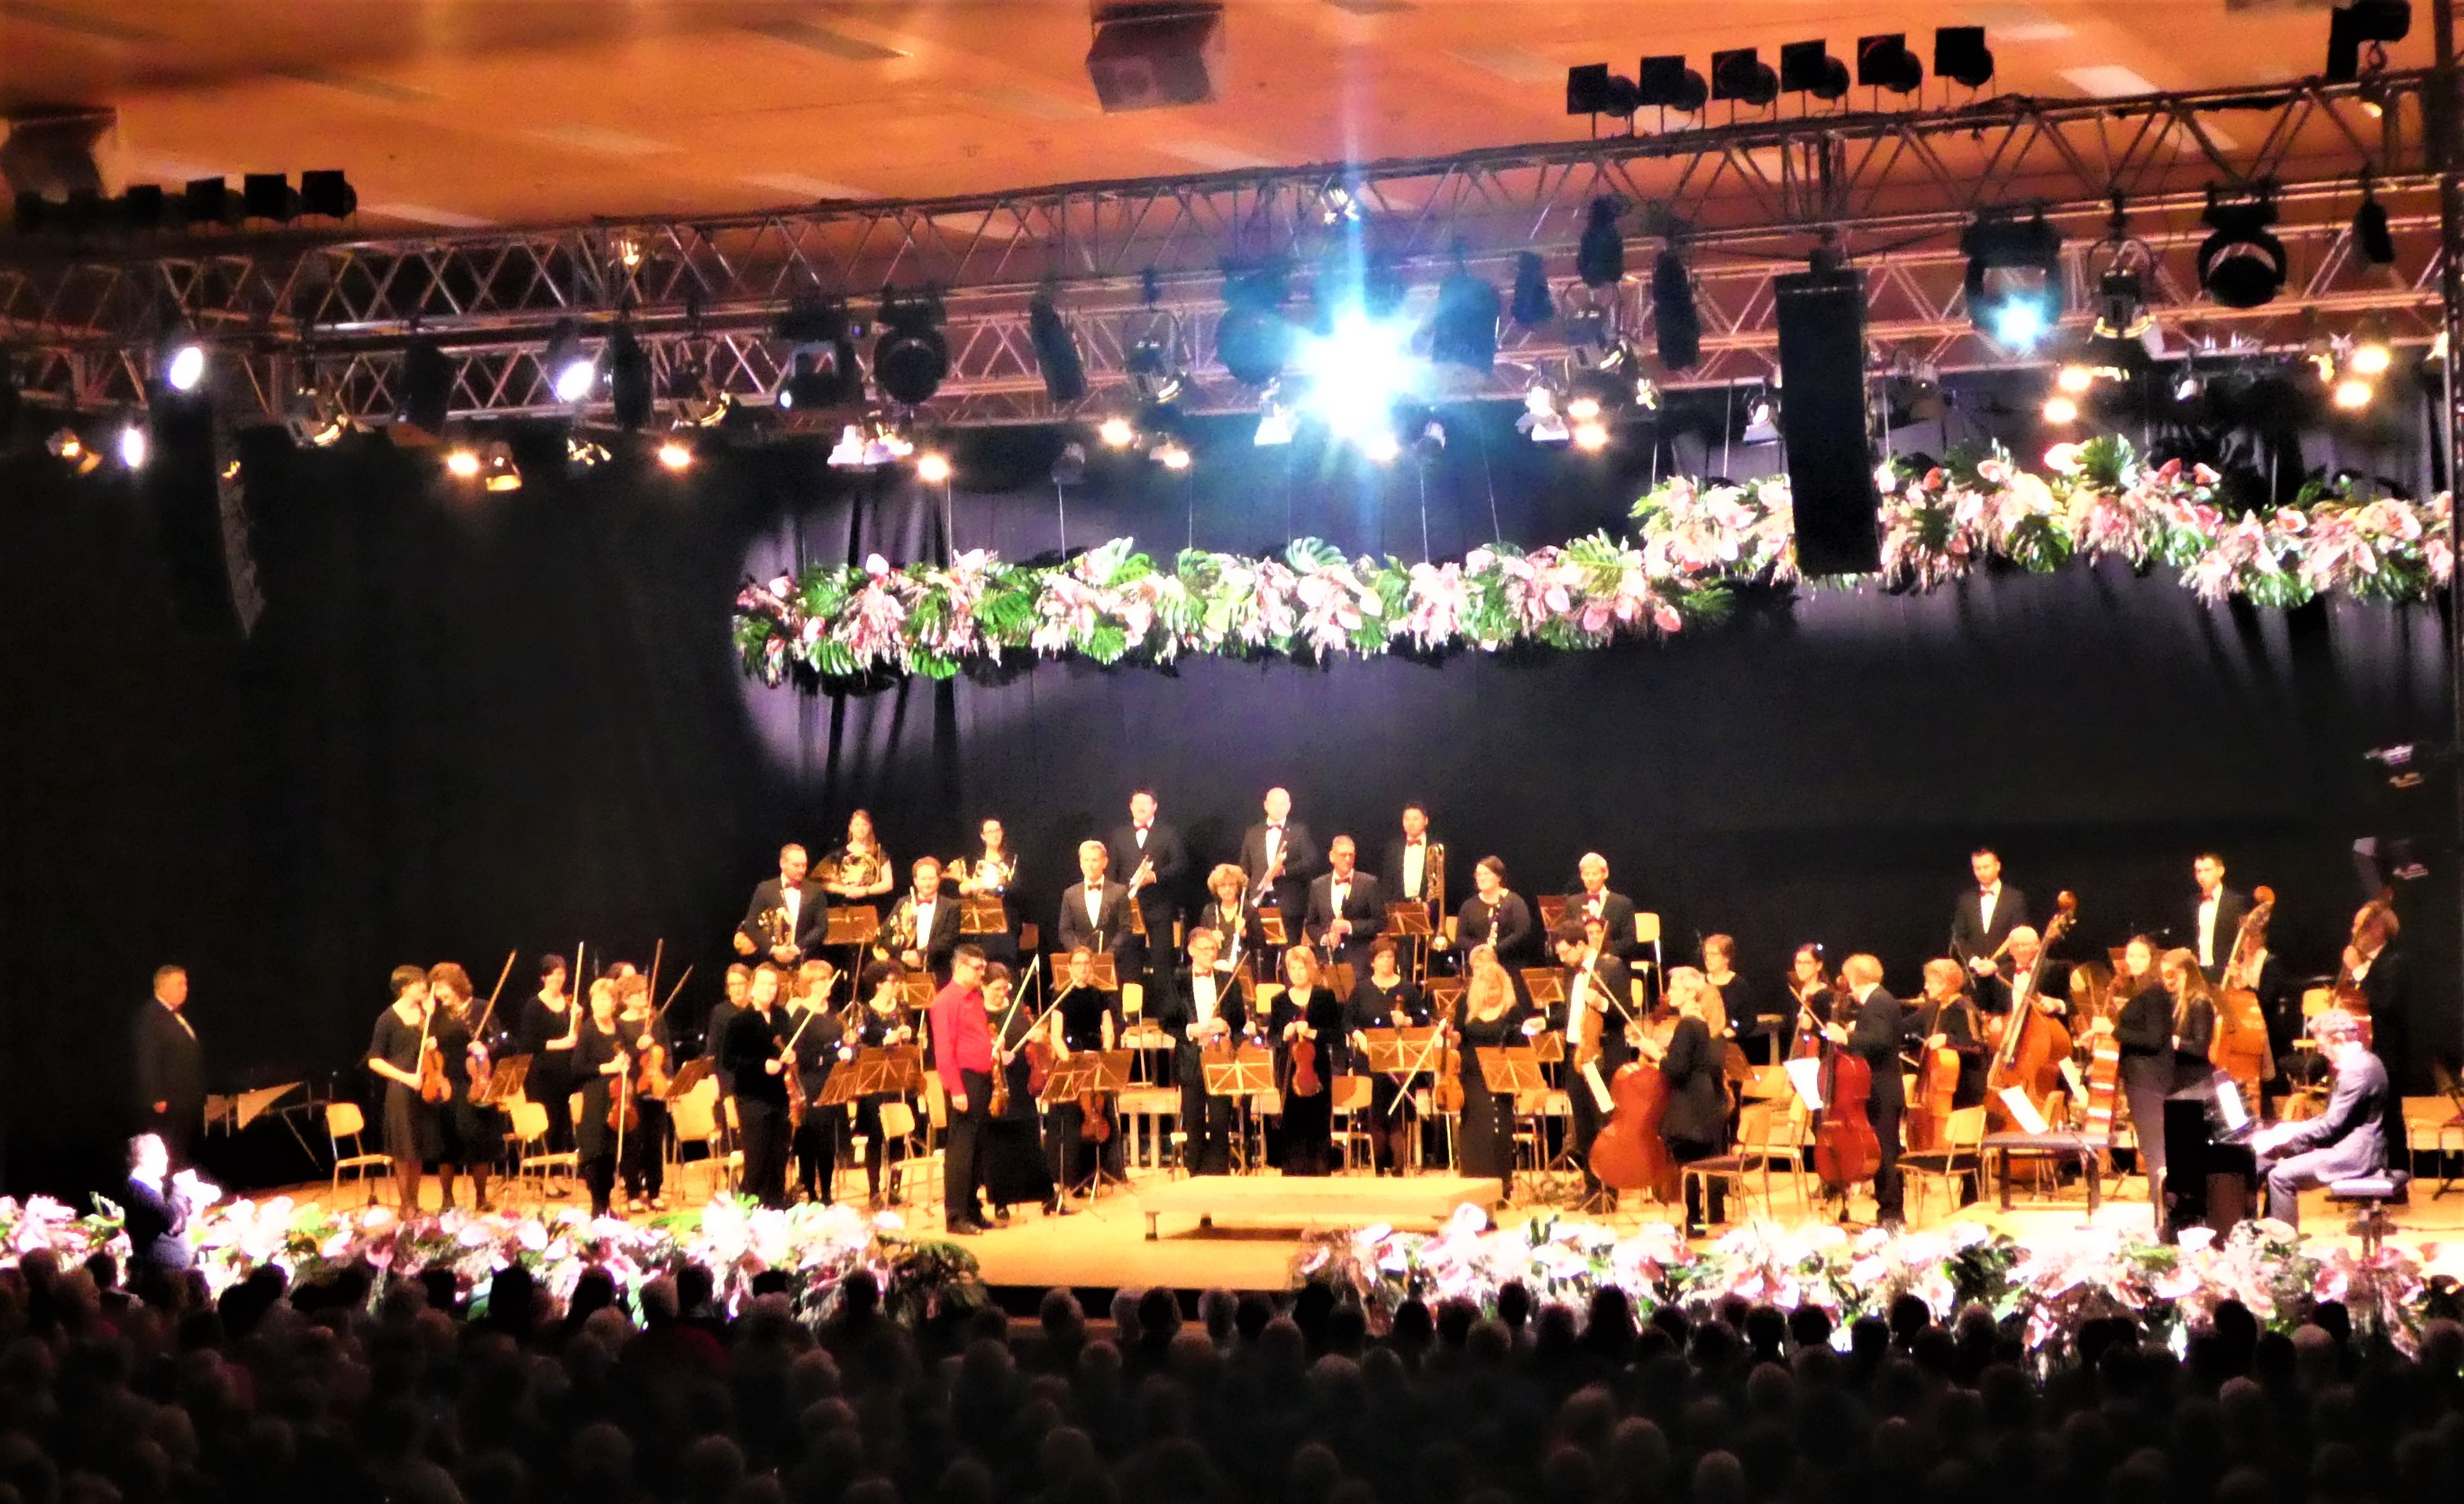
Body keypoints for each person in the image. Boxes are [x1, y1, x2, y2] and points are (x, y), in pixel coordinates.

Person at [2251, 1009, 2390, 1227]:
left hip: (2354, 1155)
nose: (2321, 1052)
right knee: (2269, 1155)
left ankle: (2284, 1243)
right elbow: (2333, 1119)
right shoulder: (2366, 1061)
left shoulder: (2356, 1072)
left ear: (2339, 1039)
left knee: (2279, 1176)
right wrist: (2286, 1134)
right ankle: (2262, 1228)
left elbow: (2330, 1126)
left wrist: (2290, 1131)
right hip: (2353, 1145)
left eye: (2323, 1046)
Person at [1639, 967, 1729, 1235]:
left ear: (1690, 993)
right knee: (1690, 1163)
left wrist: (1655, 1053)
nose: (1669, 993)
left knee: (1686, 1161)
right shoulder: (1701, 1023)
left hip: (1690, 1105)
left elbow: (1677, 1069)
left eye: (1675, 988)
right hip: (1704, 1101)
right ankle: (1696, 1220)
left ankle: (1693, 1221)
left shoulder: (1688, 1025)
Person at [1555, 924, 1634, 1208]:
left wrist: (1601, 1003)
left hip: (1601, 1057)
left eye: (1565, 952)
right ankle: (1591, 1189)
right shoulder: (1572, 973)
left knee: (1604, 1125)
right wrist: (1547, 1023)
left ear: (1580, 945)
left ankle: (1608, 1193)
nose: (1563, 959)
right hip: (1576, 1057)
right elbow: (1572, 1014)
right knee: (1584, 1127)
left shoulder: (1611, 968)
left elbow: (1625, 1013)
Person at [1829, 953, 1909, 1226]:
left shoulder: (1877, 1002)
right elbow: (1878, 1034)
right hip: (1883, 1086)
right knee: (1885, 1150)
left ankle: (1891, 1214)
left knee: (1885, 1152)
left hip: (1881, 1089)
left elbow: (1881, 1040)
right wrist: (1857, 1028)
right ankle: (1889, 1212)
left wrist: (1847, 1037)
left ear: (1854, 978)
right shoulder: (1881, 1000)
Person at [1453, 943, 1534, 1199]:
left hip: (1500, 1076)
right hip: (1471, 1076)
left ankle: (1500, 1187)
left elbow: (1521, 1046)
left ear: (1504, 987)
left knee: (1496, 1131)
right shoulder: (1466, 1006)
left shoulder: (1512, 1010)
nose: (1492, 993)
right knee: (1473, 1132)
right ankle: (1472, 1188)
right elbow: (1459, 1037)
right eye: (1487, 989)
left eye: (1496, 988)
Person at [977, 962, 1056, 1220]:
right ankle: (1001, 1202)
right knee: (999, 1146)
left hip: (1021, 1082)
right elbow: (975, 1048)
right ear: (983, 986)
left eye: (1005, 988)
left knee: (1030, 1140)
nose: (1002, 993)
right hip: (995, 1086)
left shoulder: (1016, 1010)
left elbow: (1029, 1039)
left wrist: (1036, 1038)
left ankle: (1047, 1197)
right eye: (997, 988)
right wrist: (996, 1056)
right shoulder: (978, 1015)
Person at [1164, 925, 1246, 1176]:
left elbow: (1240, 1021)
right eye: (1205, 949)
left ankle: (1219, 1179)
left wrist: (1227, 1026)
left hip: (1219, 1058)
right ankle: (1196, 1180)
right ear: (1191, 950)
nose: (1211, 954)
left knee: (1221, 1124)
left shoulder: (1228, 980)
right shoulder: (1177, 980)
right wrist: (1190, 1030)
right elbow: (1166, 1021)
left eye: (1213, 949)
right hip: (1190, 1060)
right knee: (1194, 1125)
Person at [1345, 938, 1428, 1176]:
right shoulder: (1361, 990)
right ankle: (1378, 1166)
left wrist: (1408, 1020)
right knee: (1376, 1110)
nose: (1386, 961)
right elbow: (1347, 1020)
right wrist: (1358, 1035)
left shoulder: (1408, 989)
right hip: (1369, 1059)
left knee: (1397, 1110)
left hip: (1400, 1059)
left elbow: (1423, 1018)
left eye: (1390, 956)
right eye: (1381, 957)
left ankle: (1399, 1166)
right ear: (1372, 962)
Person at [1043, 946, 1121, 1196]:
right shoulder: (1061, 996)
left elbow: (1108, 1030)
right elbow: (1055, 1036)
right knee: (1073, 1121)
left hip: (1094, 1059)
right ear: (1069, 968)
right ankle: (1072, 1179)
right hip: (1072, 1062)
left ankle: (1095, 1176)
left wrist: (1105, 1053)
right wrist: (1069, 1062)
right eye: (1078, 963)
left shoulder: (1100, 995)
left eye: (1087, 963)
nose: (1083, 968)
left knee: (1100, 1114)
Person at [928, 945, 996, 1235]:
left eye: (983, 967)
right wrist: (956, 1089)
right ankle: (955, 1216)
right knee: (961, 1151)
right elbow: (944, 1049)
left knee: (977, 1149)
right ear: (959, 967)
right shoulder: (945, 1001)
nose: (982, 973)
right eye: (977, 968)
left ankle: (972, 1209)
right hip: (964, 1081)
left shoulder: (975, 998)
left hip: (981, 1079)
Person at [425, 962, 502, 1212]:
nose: (439, 994)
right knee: (447, 1143)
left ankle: (481, 1197)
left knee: (479, 1141)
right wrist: (431, 1044)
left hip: (477, 1081)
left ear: (456, 984)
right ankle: (447, 1199)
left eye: (442, 988)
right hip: (449, 1083)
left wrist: (486, 1047)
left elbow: (501, 1038)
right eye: (436, 989)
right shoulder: (437, 1016)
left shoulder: (480, 1007)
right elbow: (430, 1051)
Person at [365, 965, 440, 1217]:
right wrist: (406, 1078)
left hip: (423, 1086)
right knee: (403, 1150)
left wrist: (432, 1042)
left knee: (418, 1149)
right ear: (404, 988)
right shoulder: (387, 1018)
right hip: (400, 1089)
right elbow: (374, 1060)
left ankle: (415, 1202)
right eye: (418, 983)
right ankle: (405, 1205)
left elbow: (430, 1051)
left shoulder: (425, 1015)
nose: (424, 987)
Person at [1107, 788, 1191, 996]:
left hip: (1159, 908)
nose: (1141, 807)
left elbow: (1180, 864)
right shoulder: (1118, 835)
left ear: (1155, 807)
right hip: (1129, 910)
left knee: (1162, 962)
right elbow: (1111, 873)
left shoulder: (1168, 833)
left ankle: (1166, 1011)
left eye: (1145, 803)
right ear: (1130, 807)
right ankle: (1131, 1012)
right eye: (1137, 803)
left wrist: (1155, 876)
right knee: (1130, 963)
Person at [847, 962, 917, 1207]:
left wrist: (908, 1035)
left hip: (898, 1077)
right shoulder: (865, 1011)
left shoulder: (903, 1008)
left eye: (899, 982)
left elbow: (913, 1042)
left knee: (899, 1134)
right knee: (876, 1136)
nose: (897, 986)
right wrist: (883, 1041)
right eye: (892, 982)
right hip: (875, 1080)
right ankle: (874, 1191)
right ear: (878, 984)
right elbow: (856, 1046)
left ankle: (894, 1188)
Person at [2106, 935, 2174, 1188]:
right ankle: (2160, 1201)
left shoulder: (2154, 992)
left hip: (2149, 1079)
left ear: (2152, 960)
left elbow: (2154, 1039)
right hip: (2140, 1077)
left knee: (2154, 1147)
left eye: (2141, 956)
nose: (2134, 961)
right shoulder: (2139, 990)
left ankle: (2163, 1202)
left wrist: (2113, 1030)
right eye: (2130, 955)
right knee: (2150, 1145)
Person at [1271, 946, 1343, 1177]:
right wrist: (1284, 1035)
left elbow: (1337, 1034)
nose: (1297, 973)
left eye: (1301, 968)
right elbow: (1272, 1037)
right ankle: (1292, 1177)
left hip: (1317, 1071)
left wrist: (1312, 1032)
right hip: (1288, 1071)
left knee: (1317, 1123)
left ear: (1310, 969)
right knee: (1292, 1125)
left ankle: (1319, 1176)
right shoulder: (1279, 1001)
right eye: (1292, 968)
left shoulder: (1325, 997)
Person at [725, 962, 791, 1207]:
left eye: (773, 984)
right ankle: (745, 1211)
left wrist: (791, 1056)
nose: (769, 989)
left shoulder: (782, 1016)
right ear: (752, 986)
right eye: (764, 983)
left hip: (780, 1096)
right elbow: (729, 1061)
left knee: (779, 1159)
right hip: (752, 1097)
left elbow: (788, 1047)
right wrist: (762, 1065)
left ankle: (775, 1209)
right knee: (757, 1160)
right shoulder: (739, 1020)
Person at [515, 954, 581, 1183]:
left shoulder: (569, 1005)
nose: (557, 978)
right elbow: (528, 1044)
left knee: (563, 1124)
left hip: (565, 1072)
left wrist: (578, 1019)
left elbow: (575, 1038)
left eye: (560, 973)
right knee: (547, 1124)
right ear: (543, 977)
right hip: (542, 1074)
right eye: (552, 974)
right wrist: (560, 1043)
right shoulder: (534, 1005)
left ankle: (557, 1174)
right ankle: (543, 1176)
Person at [782, 962, 844, 1204]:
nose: (828, 983)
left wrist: (847, 1047)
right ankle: (811, 1192)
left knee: (828, 1143)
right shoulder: (800, 1015)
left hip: (833, 1081)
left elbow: (840, 1043)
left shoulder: (833, 1012)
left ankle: (827, 1194)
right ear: (810, 983)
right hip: (811, 1082)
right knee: (810, 1142)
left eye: (829, 978)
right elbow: (802, 1056)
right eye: (822, 979)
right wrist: (829, 1056)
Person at [121, 1132, 214, 1290]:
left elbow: (174, 1219)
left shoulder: (147, 1189)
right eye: (161, 1153)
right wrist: (181, 1186)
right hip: (163, 1279)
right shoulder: (138, 1190)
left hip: (170, 1274)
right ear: (144, 1158)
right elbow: (171, 1223)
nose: (166, 1158)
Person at [571, 979, 632, 1217]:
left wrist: (626, 1063)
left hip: (617, 1096)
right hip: (596, 1095)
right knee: (596, 1151)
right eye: (596, 999)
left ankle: (607, 1206)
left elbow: (627, 1055)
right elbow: (577, 1068)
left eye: (605, 999)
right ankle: (598, 1207)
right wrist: (607, 1068)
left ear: (614, 1003)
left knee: (611, 1152)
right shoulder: (588, 1030)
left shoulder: (619, 1029)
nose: (600, 1004)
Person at [615, 974, 673, 1212]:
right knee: (634, 1141)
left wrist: (667, 1077)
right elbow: (618, 1053)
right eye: (637, 993)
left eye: (644, 992)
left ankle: (655, 1190)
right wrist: (634, 1048)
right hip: (633, 1087)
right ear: (626, 998)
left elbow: (665, 1050)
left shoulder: (655, 1019)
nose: (643, 996)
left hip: (656, 1084)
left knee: (654, 1141)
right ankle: (633, 1193)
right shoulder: (619, 1024)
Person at [132, 964, 203, 1161]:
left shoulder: (173, 1014)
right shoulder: (152, 1015)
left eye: (185, 984)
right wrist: (156, 1095)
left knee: (179, 1149)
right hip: (169, 1101)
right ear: (163, 986)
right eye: (179, 984)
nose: (185, 989)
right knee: (168, 1150)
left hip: (183, 1098)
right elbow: (147, 1057)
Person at [1304, 834, 1386, 981]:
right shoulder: (1318, 885)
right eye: (1343, 855)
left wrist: (1350, 926)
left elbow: (1381, 922)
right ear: (1332, 856)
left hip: (1359, 961)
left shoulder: (1369, 883)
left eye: (1351, 855)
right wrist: (1325, 938)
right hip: (1327, 959)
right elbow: (1311, 924)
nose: (1348, 859)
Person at [1237, 787, 1319, 920]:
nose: (1278, 808)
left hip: (1289, 903)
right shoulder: (1252, 832)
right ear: (1266, 805)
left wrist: (1285, 871)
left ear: (1289, 806)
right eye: (1274, 803)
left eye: (1283, 804)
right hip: (1257, 902)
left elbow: (1311, 861)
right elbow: (1244, 866)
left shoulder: (1299, 831)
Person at [739, 842, 828, 964]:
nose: (801, 870)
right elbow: (751, 924)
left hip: (805, 959)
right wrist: (773, 949)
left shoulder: (815, 890)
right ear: (782, 864)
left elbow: (821, 927)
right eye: (796, 865)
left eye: (804, 865)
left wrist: (798, 947)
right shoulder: (765, 889)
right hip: (771, 962)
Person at [1949, 848, 2031, 980]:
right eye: (1977, 868)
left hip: (2005, 973)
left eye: (1986, 867)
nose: (1982, 872)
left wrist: (1995, 963)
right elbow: (1959, 937)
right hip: (1974, 975)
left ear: (1997, 866)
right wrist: (1973, 961)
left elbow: (2018, 936)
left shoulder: (2015, 898)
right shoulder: (1965, 900)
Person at [1437, 856, 1535, 965]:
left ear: (1498, 877)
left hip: (1509, 963)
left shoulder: (1515, 902)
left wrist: (1495, 949)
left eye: (1486, 874)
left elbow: (1521, 932)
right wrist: (1481, 948)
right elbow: (1460, 938)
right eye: (1478, 874)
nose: (1481, 878)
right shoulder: (1468, 905)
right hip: (1478, 964)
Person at [955, 817, 1021, 965]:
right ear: (982, 836)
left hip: (1006, 919)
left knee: (1005, 964)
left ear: (1002, 833)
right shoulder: (971, 861)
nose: (994, 834)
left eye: (997, 830)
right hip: (978, 921)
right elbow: (962, 888)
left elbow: (1016, 888)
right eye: (990, 831)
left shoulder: (1012, 859)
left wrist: (993, 886)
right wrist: (971, 887)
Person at [1702, 936, 1776, 1067]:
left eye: (1713, 954)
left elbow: (1749, 1021)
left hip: (1729, 1048)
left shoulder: (1739, 986)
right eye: (1706, 954)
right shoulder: (1700, 983)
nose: (1708, 958)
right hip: (1703, 1047)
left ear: (1726, 958)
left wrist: (1732, 1031)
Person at [1056, 839, 1133, 961]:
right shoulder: (1070, 894)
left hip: (1113, 961)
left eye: (1094, 860)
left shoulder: (1119, 892)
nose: (1090, 865)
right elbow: (1065, 930)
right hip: (1080, 964)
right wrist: (1079, 955)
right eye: (1086, 860)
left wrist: (1108, 955)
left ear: (1105, 862)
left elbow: (1125, 929)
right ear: (1080, 863)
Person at [890, 856, 963, 980]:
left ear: (939, 879)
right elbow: (889, 932)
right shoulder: (903, 902)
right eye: (923, 879)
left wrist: (920, 954)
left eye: (931, 878)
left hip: (938, 968)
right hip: (905, 968)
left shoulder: (951, 906)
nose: (927, 883)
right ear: (915, 880)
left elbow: (949, 938)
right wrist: (903, 954)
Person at [1984, 925, 2070, 1022]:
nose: (2021, 950)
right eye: (2015, 945)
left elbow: (2073, 1005)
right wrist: (1996, 1019)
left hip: (2047, 1029)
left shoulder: (2056, 969)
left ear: (2037, 945)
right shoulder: (2002, 973)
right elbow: (1996, 1008)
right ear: (2010, 950)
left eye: (2025, 945)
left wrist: (2057, 1004)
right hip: (2011, 1029)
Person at [1565, 853, 1640, 962]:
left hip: (1612, 963)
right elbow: (1567, 937)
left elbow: (1630, 940)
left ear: (1605, 874)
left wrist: (1605, 952)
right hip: (1580, 963)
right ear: (1581, 876)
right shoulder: (1572, 903)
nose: (1590, 878)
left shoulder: (1623, 904)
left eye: (1595, 874)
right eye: (1586, 874)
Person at [2189, 852, 2251, 983]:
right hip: (2198, 972)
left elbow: (2244, 939)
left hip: (2225, 972)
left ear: (2220, 871)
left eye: (2207, 870)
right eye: (2198, 871)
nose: (2202, 876)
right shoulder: (2193, 903)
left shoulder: (2236, 902)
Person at [1196, 862, 1267, 971]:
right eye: (1222, 885)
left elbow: (1261, 943)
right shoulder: (1209, 911)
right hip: (1215, 969)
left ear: (1238, 887)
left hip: (1242, 969)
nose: (1227, 889)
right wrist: (1210, 938)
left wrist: (1244, 932)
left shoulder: (1248, 910)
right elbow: (1199, 943)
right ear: (1216, 888)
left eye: (1231, 885)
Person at [823, 810, 894, 903]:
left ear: (870, 827)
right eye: (857, 824)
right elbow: (824, 883)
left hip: (871, 905)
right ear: (850, 828)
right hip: (843, 906)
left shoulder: (879, 853)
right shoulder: (837, 855)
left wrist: (865, 891)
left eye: (864, 824)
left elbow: (888, 883)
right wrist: (846, 890)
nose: (860, 828)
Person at [706, 964, 751, 1094]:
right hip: (728, 1080)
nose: (737, 989)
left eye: (740, 983)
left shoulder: (756, 1009)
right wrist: (712, 1076)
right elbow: (712, 1049)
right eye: (732, 984)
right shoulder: (720, 1012)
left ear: (749, 984)